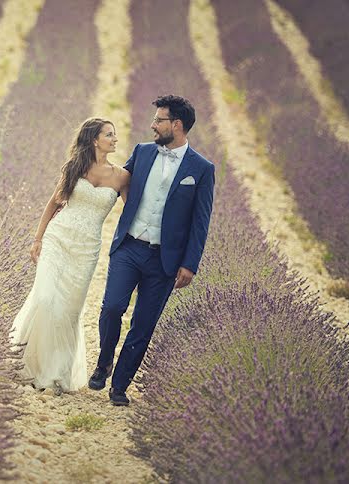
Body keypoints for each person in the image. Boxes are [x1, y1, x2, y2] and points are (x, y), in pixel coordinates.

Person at [90, 94, 215, 406]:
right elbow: (118, 180)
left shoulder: (201, 169)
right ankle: (104, 361)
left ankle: (119, 386)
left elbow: (201, 221)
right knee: (112, 308)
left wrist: (190, 264)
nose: (152, 125)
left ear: (177, 125)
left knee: (143, 325)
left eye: (159, 120)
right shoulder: (143, 152)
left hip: (165, 260)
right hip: (129, 247)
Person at [10, 117, 129, 393]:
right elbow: (54, 202)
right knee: (45, 298)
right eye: (109, 134)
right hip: (58, 239)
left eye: (115, 134)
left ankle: (56, 373)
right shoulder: (76, 167)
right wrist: (38, 239)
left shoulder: (122, 176)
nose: (115, 139)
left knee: (68, 311)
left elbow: (134, 212)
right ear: (94, 139)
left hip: (86, 249)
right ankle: (28, 362)